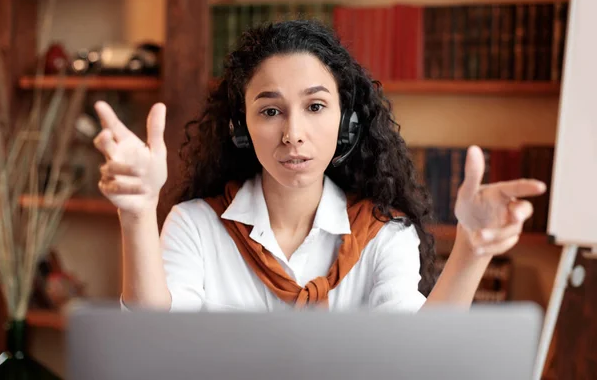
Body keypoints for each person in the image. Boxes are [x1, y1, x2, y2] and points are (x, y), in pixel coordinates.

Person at [93, 20, 546, 312]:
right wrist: (136, 212)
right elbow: (155, 340)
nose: (293, 133)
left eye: (315, 106)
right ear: (242, 126)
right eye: (270, 111)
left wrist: (473, 248)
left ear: (346, 122)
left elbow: (417, 357)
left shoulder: (383, 234)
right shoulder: (196, 226)